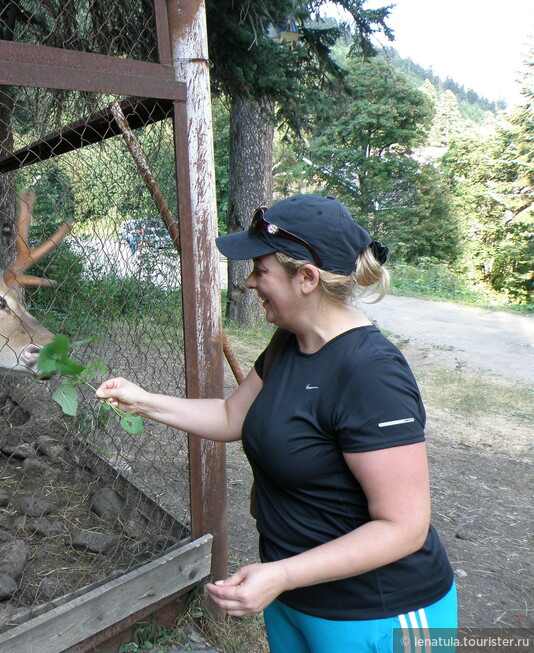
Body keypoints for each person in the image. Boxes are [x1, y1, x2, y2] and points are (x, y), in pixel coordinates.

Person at [97, 194, 457, 652]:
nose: (249, 283)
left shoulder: (371, 372)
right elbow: (232, 416)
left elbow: (404, 526)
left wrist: (282, 574)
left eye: (260, 270)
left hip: (378, 612)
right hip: (293, 598)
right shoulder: (290, 342)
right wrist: (143, 401)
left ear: (306, 277)